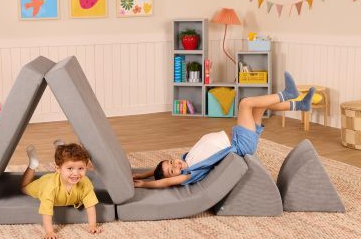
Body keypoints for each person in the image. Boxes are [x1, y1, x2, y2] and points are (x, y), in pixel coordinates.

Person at [133, 72, 315, 189]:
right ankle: (288, 94)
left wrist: (143, 174)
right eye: (173, 170)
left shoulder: (186, 159)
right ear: (176, 177)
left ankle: (300, 105)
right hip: (241, 144)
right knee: (246, 104)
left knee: (260, 106)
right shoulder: (191, 173)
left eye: (171, 163)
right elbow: (165, 181)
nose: (175, 166)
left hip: (238, 138)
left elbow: (161, 170)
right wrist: (144, 185)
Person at [21, 141, 101, 239]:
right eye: (70, 168)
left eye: (81, 168)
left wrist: (92, 225)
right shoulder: (50, 188)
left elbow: (90, 205)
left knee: (64, 162)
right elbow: (46, 212)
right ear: (58, 169)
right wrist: (49, 232)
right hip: (43, 184)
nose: (76, 173)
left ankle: (60, 148)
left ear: (86, 167)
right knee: (23, 188)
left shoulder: (85, 183)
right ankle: (33, 164)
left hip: (60, 176)